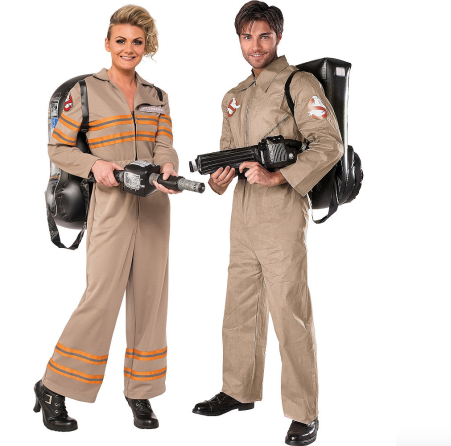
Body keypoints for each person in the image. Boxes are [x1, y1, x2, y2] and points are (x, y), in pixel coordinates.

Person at [191, 2, 343, 445]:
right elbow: (227, 153)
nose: (255, 46)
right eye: (246, 37)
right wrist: (220, 180)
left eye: (264, 36)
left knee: (289, 313)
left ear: (278, 37)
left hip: (280, 210)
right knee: (238, 307)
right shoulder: (234, 96)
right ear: (238, 40)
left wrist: (279, 175)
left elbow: (328, 144)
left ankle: (304, 411)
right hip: (242, 211)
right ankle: (237, 390)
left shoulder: (300, 84)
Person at [34, 4, 179, 432]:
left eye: (137, 42)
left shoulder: (158, 95)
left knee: (151, 301)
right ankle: (52, 387)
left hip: (154, 205)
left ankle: (140, 393)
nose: (129, 49)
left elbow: (165, 145)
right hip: (111, 205)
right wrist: (95, 165)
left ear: (146, 47)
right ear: (108, 44)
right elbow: (59, 149)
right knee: (101, 298)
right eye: (121, 41)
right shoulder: (84, 91)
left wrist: (167, 168)